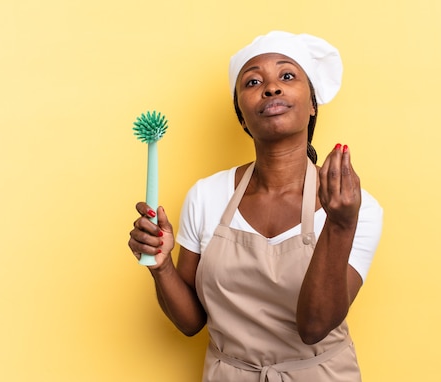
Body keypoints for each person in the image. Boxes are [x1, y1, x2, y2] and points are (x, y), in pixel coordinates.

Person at [128, 30, 383, 381]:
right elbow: (190, 323)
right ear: (241, 117)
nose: (271, 87)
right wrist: (160, 267)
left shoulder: (355, 206)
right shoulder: (206, 196)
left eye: (287, 76)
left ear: (312, 104)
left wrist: (340, 225)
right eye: (252, 81)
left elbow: (315, 326)